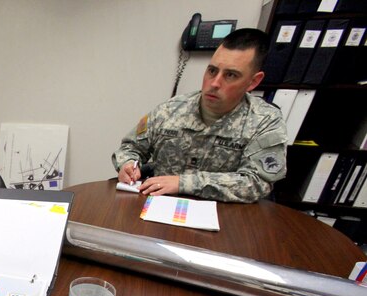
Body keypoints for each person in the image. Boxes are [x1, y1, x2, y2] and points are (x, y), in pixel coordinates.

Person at [112, 28, 287, 203]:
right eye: (212, 71)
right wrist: (128, 164)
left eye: (230, 75)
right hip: (159, 208)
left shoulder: (265, 121)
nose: (215, 83)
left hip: (222, 217)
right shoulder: (170, 109)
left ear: (253, 81)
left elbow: (257, 183)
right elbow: (131, 147)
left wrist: (183, 183)